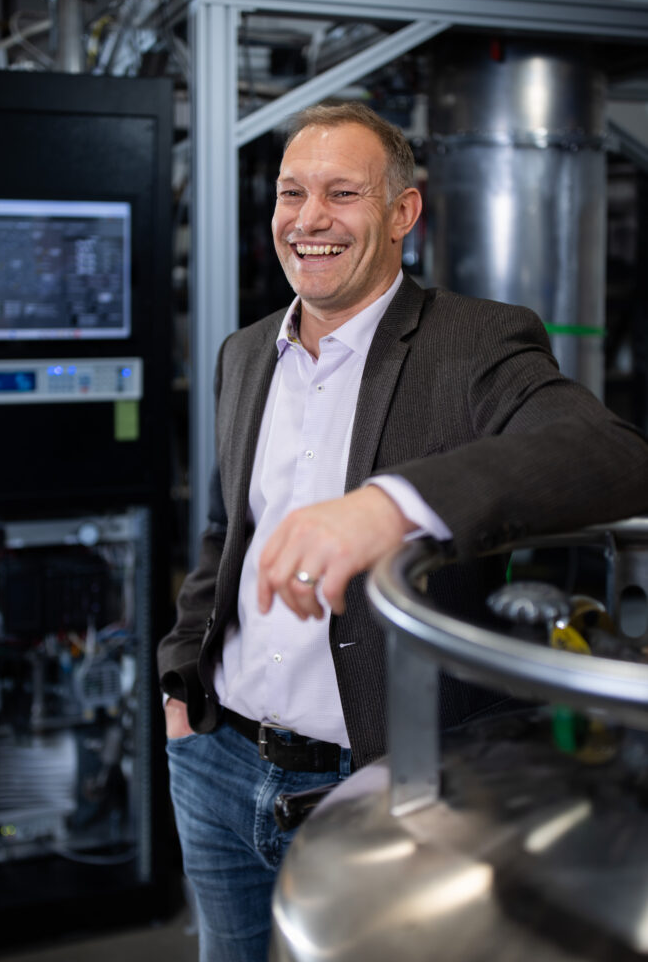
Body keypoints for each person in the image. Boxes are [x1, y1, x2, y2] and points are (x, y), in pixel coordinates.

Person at [158, 101, 648, 961]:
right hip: (217, 757)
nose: (308, 221)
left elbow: (608, 454)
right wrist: (179, 684)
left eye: (341, 194)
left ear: (401, 214)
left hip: (381, 781)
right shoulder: (243, 353)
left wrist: (391, 505)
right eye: (290, 194)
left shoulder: (474, 341)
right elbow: (222, 531)